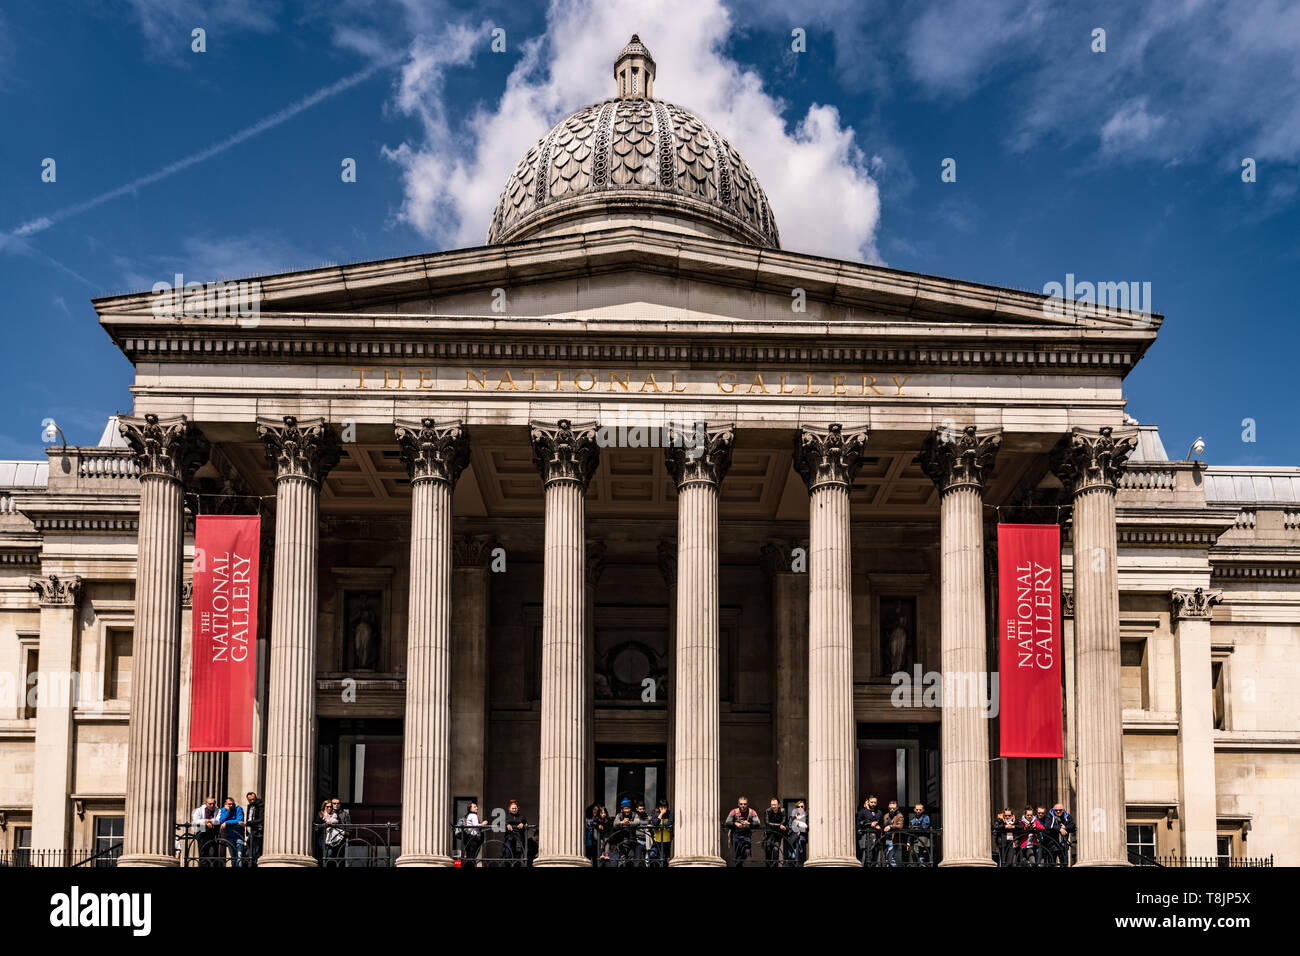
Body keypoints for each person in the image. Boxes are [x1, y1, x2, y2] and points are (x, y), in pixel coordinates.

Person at [724, 797, 760, 867]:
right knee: (738, 854)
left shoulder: (752, 812)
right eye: (741, 804)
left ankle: (739, 863)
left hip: (746, 835)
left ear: (747, 804)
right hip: (736, 835)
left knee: (747, 851)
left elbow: (758, 823)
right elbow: (727, 822)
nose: (743, 806)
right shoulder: (734, 811)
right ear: (738, 804)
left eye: (745, 804)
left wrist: (748, 823)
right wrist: (735, 824)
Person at [611, 799, 644, 865]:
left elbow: (638, 822)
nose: (627, 810)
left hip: (632, 841)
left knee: (631, 858)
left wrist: (630, 823)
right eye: (625, 808)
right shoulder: (619, 815)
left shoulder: (634, 814)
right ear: (622, 809)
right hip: (621, 841)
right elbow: (615, 824)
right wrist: (622, 822)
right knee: (622, 859)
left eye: (628, 808)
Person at [191, 796, 220, 866]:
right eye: (210, 804)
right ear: (206, 803)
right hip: (201, 833)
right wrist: (205, 821)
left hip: (212, 834)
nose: (212, 805)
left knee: (212, 855)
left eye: (213, 803)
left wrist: (209, 821)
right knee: (202, 855)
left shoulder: (218, 810)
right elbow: (195, 821)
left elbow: (218, 820)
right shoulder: (199, 810)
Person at [217, 796, 245, 866]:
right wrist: (228, 811)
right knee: (232, 858)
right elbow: (221, 821)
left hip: (239, 835)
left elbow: (239, 820)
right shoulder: (223, 810)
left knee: (239, 857)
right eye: (229, 804)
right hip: (229, 836)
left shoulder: (239, 808)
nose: (231, 805)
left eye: (232, 804)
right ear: (225, 804)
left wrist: (227, 823)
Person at [857, 795, 884, 866]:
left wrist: (879, 827)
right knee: (867, 857)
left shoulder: (879, 812)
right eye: (871, 802)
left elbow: (882, 824)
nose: (873, 804)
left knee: (876, 857)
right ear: (868, 802)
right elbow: (858, 824)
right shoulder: (862, 812)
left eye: (875, 802)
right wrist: (869, 824)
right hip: (866, 837)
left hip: (877, 837)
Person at [763, 798, 787, 867]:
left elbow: (784, 822)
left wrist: (776, 826)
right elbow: (767, 823)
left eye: (775, 805)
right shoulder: (767, 811)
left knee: (776, 850)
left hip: (777, 835)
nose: (773, 806)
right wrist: (779, 826)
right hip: (769, 834)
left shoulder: (783, 811)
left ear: (779, 805)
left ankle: (775, 866)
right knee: (768, 851)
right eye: (772, 805)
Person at [648, 798, 673, 865]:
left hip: (666, 841)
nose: (663, 809)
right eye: (661, 807)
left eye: (665, 807)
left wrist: (659, 826)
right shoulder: (656, 815)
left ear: (667, 807)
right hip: (657, 840)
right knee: (652, 855)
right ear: (659, 807)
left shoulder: (670, 814)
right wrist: (661, 814)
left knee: (664, 858)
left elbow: (669, 823)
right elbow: (655, 823)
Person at [319, 800, 344, 864]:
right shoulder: (321, 814)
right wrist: (325, 822)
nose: (329, 808)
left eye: (330, 807)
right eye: (327, 807)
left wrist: (332, 822)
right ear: (324, 807)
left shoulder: (335, 815)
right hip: (322, 837)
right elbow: (317, 822)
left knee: (329, 854)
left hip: (331, 838)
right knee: (323, 854)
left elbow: (339, 823)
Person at [502, 800, 527, 866]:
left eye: (515, 808)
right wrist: (507, 824)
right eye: (512, 808)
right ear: (509, 809)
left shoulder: (522, 817)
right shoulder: (506, 817)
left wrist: (523, 824)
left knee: (517, 856)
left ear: (517, 808)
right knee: (508, 854)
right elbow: (500, 823)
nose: (514, 809)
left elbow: (526, 823)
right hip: (509, 838)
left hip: (519, 838)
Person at [882, 799, 906, 866]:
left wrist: (891, 826)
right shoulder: (886, 815)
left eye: (893, 808)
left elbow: (900, 826)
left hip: (894, 839)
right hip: (885, 839)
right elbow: (883, 825)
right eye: (890, 808)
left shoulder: (899, 816)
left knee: (890, 858)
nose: (891, 809)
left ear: (897, 808)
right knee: (887, 858)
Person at [244, 792, 264, 865]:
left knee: (255, 853)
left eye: (253, 799)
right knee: (248, 853)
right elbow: (248, 817)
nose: (252, 801)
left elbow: (261, 819)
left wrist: (247, 823)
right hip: (250, 832)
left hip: (257, 833)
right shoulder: (249, 806)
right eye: (250, 800)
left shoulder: (260, 805)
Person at [461, 802, 483, 867]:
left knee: (469, 856)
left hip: (469, 838)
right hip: (474, 839)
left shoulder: (467, 815)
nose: (477, 808)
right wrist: (483, 824)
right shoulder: (473, 815)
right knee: (472, 857)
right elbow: (476, 825)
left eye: (476, 806)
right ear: (470, 809)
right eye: (475, 807)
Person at [788, 800, 808, 865]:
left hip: (802, 839)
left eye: (801, 806)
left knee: (801, 859)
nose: (800, 808)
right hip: (793, 839)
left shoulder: (806, 816)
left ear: (804, 807)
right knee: (792, 858)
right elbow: (789, 826)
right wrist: (796, 829)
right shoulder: (793, 816)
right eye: (798, 806)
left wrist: (799, 825)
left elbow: (808, 828)